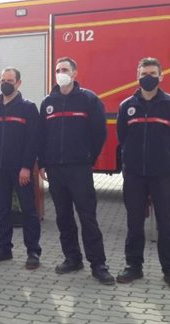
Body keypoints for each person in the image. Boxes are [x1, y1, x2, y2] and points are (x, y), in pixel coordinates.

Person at [38, 57, 115, 285]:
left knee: (87, 217)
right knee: (63, 217)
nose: (60, 73)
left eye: (65, 70)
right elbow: (42, 136)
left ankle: (98, 264)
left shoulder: (88, 100)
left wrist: (87, 157)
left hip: (79, 169)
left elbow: (99, 133)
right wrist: (43, 162)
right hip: (55, 169)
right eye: (58, 70)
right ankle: (72, 258)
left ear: (74, 73)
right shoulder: (48, 102)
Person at [115, 57, 170, 290]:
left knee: (166, 225)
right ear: (137, 76)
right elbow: (122, 137)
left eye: (152, 73)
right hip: (135, 174)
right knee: (134, 223)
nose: (148, 77)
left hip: (162, 174)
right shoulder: (126, 106)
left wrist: (168, 158)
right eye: (144, 73)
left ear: (161, 76)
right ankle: (133, 267)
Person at [0, 67, 41, 270]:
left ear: (19, 83)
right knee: (2, 210)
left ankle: (33, 251)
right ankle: (4, 248)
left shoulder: (28, 108)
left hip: (20, 170)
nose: (6, 83)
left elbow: (33, 141)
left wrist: (26, 167)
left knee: (29, 211)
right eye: (3, 80)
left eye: (10, 80)